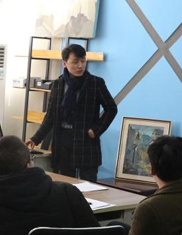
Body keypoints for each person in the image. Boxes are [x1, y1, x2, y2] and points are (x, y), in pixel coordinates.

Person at [24, 43, 117, 182]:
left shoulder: (95, 83)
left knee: (89, 184)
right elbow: (50, 116)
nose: (80, 66)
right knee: (65, 182)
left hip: (86, 140)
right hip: (62, 140)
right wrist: (35, 138)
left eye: (83, 61)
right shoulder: (58, 84)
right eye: (75, 62)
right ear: (64, 63)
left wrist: (96, 129)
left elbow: (111, 108)